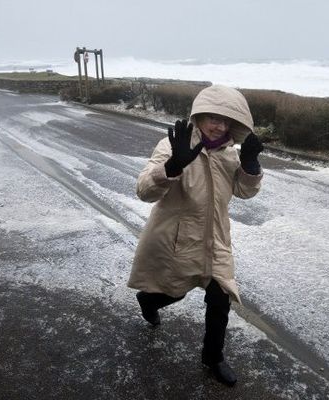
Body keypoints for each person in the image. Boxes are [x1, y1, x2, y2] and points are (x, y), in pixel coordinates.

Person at [127, 85, 263, 387]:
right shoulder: (173, 145)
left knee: (220, 297)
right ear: (199, 116)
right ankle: (148, 301)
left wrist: (250, 166)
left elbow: (242, 190)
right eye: (213, 118)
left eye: (226, 120)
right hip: (177, 240)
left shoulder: (229, 155)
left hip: (215, 240)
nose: (219, 125)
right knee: (174, 290)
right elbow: (144, 191)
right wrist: (173, 165)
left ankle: (213, 357)